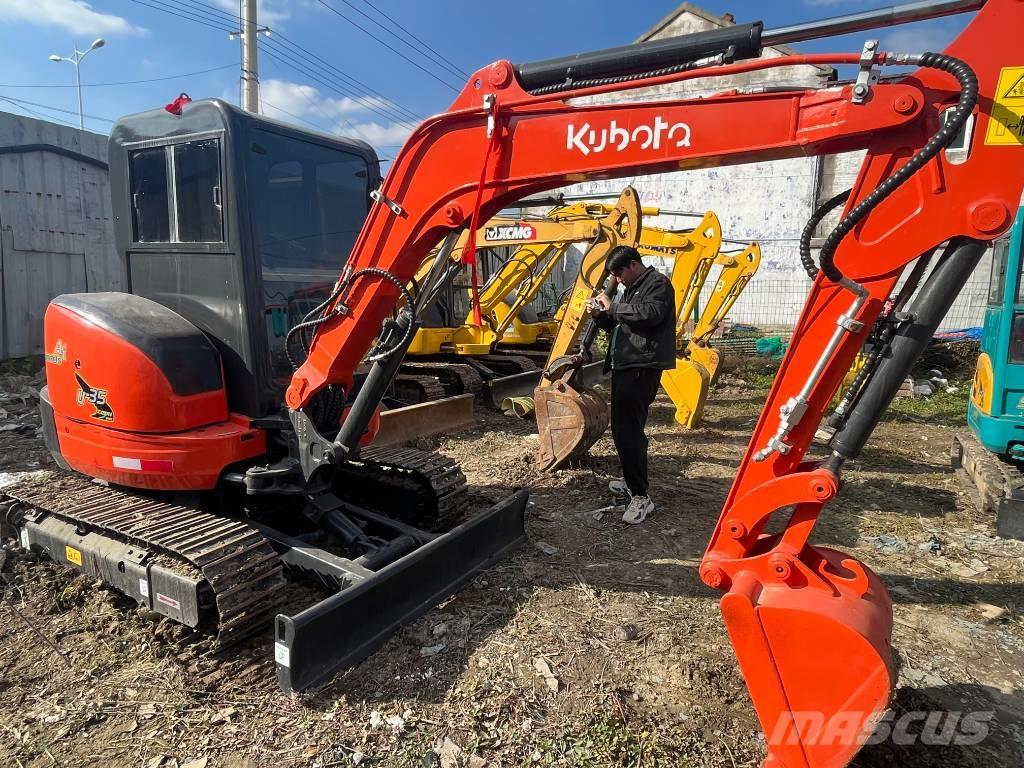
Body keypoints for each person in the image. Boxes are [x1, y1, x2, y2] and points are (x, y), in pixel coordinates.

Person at [588, 245, 675, 524]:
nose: (618, 279)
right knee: (626, 428)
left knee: (628, 431)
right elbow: (622, 325)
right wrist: (602, 315)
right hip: (627, 365)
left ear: (634, 264)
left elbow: (651, 315)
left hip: (641, 366)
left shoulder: (658, 284)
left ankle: (641, 496)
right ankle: (631, 480)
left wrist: (615, 307)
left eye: (619, 273)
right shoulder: (633, 288)